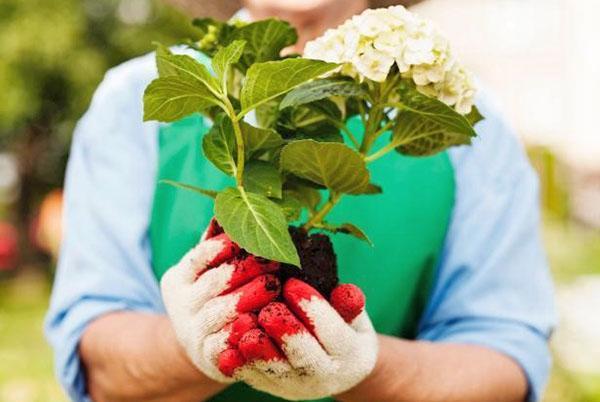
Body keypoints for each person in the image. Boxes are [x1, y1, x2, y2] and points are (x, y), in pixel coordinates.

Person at [45, 0, 556, 401]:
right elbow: (99, 360)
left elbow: (504, 360)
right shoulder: (137, 96)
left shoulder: (461, 118)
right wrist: (196, 345)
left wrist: (364, 366)